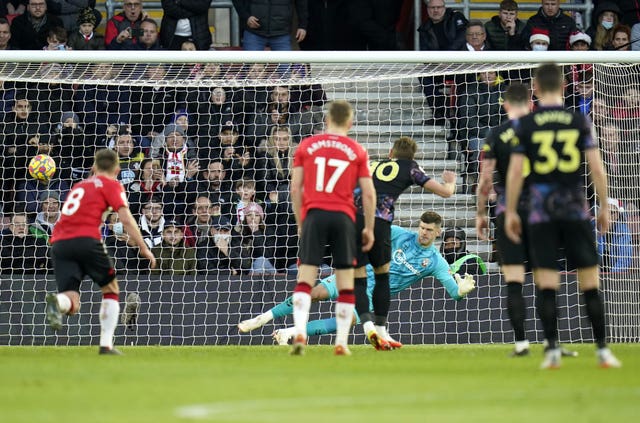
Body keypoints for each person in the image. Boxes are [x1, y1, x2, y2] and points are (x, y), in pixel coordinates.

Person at [504, 63, 621, 369]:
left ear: (536, 90)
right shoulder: (579, 120)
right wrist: (605, 206)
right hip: (575, 209)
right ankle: (602, 351)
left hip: (541, 212)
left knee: (546, 283)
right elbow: (597, 167)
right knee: (590, 282)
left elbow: (516, 173)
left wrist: (512, 210)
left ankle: (553, 350)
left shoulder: (526, 124)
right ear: (565, 86)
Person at [238, 211, 476, 346]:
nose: (423, 232)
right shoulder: (401, 235)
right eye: (422, 227)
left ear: (438, 233)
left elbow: (454, 293)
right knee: (314, 294)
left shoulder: (436, 262)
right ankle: (262, 318)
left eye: (428, 230)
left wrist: (461, 290)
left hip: (373, 295)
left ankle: (290, 332)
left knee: (346, 322)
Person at [44, 149, 156, 355]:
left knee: (72, 303)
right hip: (86, 240)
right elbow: (126, 218)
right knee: (111, 289)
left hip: (60, 243)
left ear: (93, 168)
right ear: (117, 169)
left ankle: (57, 302)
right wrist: (143, 247)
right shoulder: (112, 184)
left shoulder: (79, 186)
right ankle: (106, 345)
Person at [288, 99, 376, 356]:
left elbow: (296, 188)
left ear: (326, 120)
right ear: (350, 122)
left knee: (305, 279)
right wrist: (368, 227)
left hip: (315, 214)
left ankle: (300, 333)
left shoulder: (307, 145)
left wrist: (301, 222)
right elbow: (369, 194)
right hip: (343, 217)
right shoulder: (357, 150)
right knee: (346, 282)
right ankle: (341, 343)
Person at [352, 136, 456, 350]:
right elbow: (446, 192)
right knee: (382, 276)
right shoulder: (410, 168)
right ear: (412, 156)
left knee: (358, 277)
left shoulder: (372, 164)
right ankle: (380, 329)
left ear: (391, 153)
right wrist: (451, 181)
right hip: (379, 221)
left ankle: (367, 324)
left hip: (351, 220)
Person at [232, 0, 307, 51]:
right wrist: (246, 17)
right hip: (254, 32)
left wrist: (302, 25)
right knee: (252, 71)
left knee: (285, 72)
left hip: (281, 33)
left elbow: (302, 3)